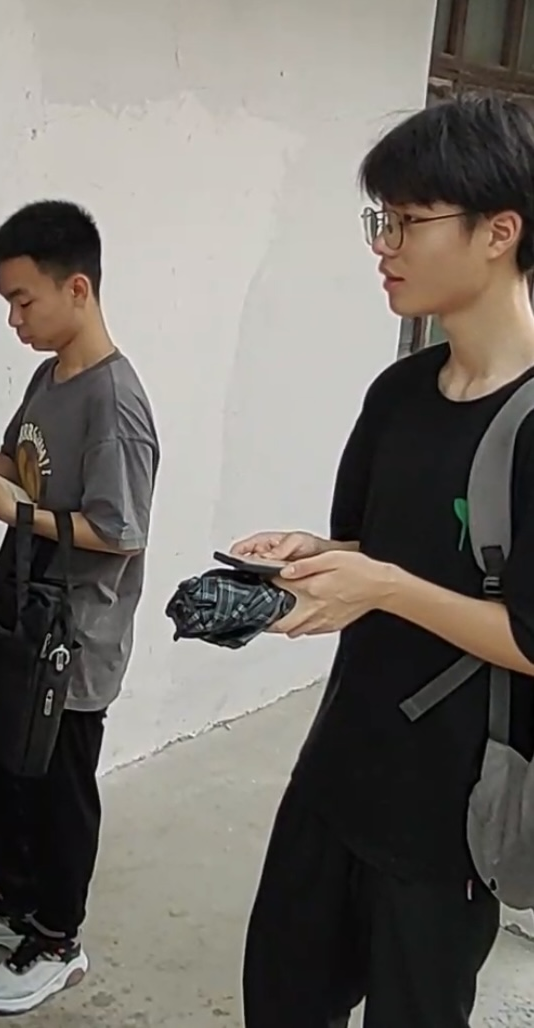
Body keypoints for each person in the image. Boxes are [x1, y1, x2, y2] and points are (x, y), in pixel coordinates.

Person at [236, 95, 534, 1028]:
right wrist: (320, 557)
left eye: (407, 221)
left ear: (499, 233)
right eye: (383, 221)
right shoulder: (399, 393)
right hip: (339, 769)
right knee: (280, 1001)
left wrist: (385, 585)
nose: (385, 246)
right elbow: (382, 552)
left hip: (451, 814)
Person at [0, 200, 159, 1014]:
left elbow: (119, 532)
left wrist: (18, 514)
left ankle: (59, 938)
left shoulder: (115, 403)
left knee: (59, 787)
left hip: (76, 637)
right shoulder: (49, 376)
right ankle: (16, 904)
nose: (14, 319)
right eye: (8, 302)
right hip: (23, 615)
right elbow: (28, 476)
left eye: (23, 300)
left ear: (78, 289)